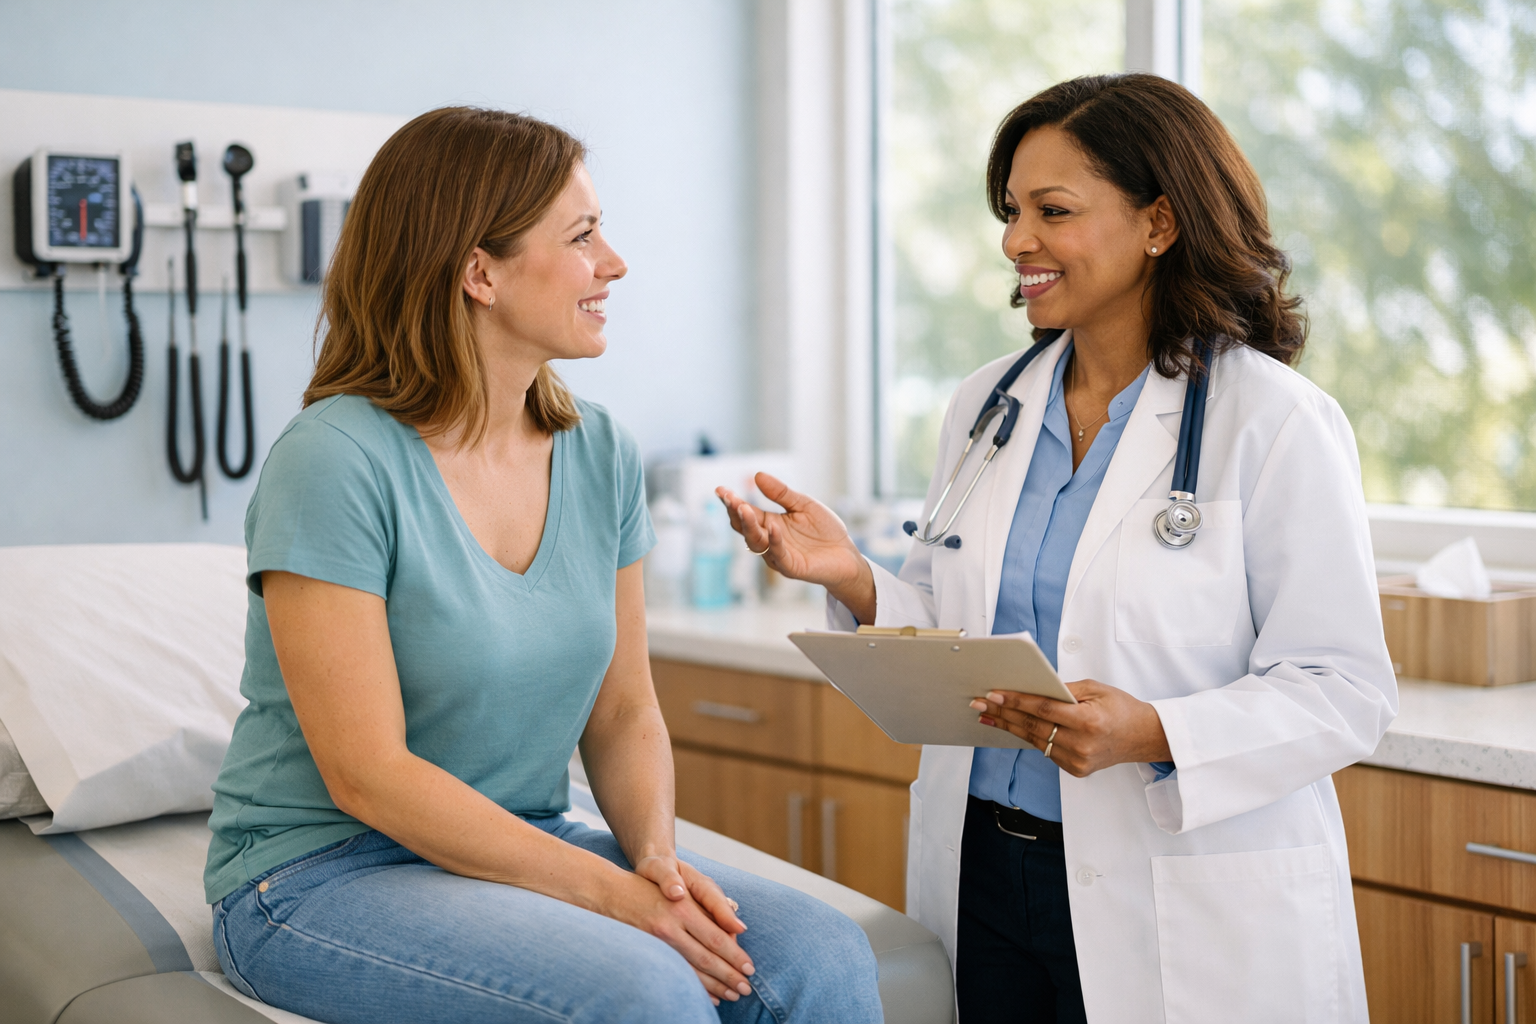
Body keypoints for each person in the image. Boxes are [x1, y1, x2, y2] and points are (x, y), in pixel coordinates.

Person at [717, 74, 1396, 1023]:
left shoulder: (1273, 421)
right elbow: (958, 640)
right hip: (985, 869)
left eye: (1052, 210)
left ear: (1158, 222)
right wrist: (854, 580)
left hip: (1173, 879)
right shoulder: (988, 405)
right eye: (1010, 211)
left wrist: (1155, 732)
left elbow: (1346, 688)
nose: (1015, 241)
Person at [203, 107, 884, 1024]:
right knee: (642, 991)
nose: (615, 262)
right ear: (479, 271)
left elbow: (623, 705)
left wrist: (655, 867)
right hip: (319, 872)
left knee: (821, 955)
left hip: (525, 838)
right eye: (583, 235)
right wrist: (609, 901)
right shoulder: (334, 459)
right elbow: (368, 774)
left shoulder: (597, 449)